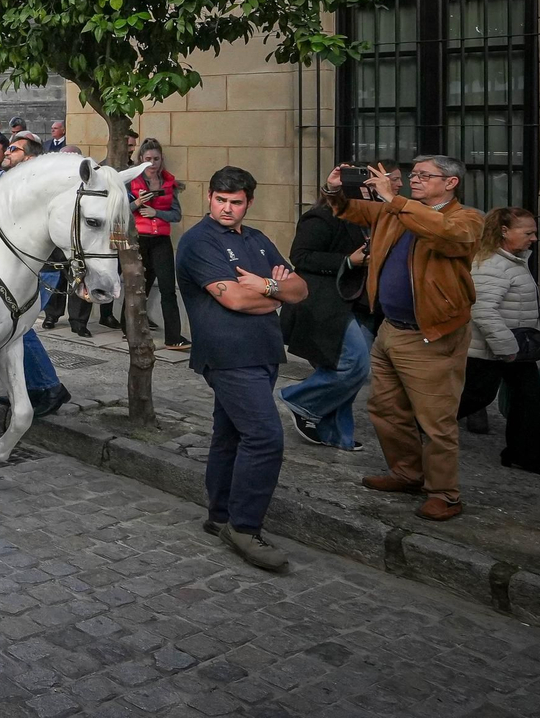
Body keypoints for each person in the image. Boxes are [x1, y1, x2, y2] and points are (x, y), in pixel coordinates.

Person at [325, 156, 483, 521]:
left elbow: (444, 234)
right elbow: (349, 210)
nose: (415, 180)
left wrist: (394, 200)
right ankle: (408, 473)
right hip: (391, 328)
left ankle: (445, 493)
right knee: (385, 408)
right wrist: (335, 188)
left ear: (451, 183)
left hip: (432, 335)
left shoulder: (467, 219)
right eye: (416, 175)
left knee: (435, 420)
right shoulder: (395, 212)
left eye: (425, 176)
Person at [176, 166, 308, 571]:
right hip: (228, 354)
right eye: (220, 199)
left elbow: (300, 288)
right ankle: (245, 528)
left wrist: (266, 287)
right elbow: (233, 299)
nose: (227, 208)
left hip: (263, 350)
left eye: (235, 202)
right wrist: (275, 294)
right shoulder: (199, 241)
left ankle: (220, 516)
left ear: (249, 202)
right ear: (210, 198)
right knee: (265, 438)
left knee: (231, 433)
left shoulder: (256, 239)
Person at [457, 208, 540, 477]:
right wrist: (508, 349)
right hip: (493, 350)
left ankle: (525, 456)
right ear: (504, 232)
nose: (534, 238)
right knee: (472, 397)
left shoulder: (513, 261)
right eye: (528, 232)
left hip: (513, 349)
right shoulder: (492, 265)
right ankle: (412, 427)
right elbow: (482, 311)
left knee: (529, 400)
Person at [279, 187, 377, 451]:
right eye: (369, 190)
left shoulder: (372, 219)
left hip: (359, 302)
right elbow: (301, 256)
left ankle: (335, 433)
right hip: (325, 304)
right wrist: (348, 260)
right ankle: (301, 401)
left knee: (340, 370)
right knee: (353, 364)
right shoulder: (321, 217)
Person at [0, 133, 72, 415]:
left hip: (45, 266)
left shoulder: (39, 187)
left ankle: (51, 388)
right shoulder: (14, 181)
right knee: (14, 327)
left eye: (14, 148)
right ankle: (30, 388)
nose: (7, 152)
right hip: (23, 265)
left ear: (31, 158)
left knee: (19, 328)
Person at [126, 139, 190, 350]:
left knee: (167, 288)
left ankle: (173, 336)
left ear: (162, 159)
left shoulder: (169, 183)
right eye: (148, 159)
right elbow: (121, 210)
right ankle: (129, 327)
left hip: (161, 240)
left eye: (156, 159)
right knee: (138, 286)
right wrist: (138, 203)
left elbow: (176, 214)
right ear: (140, 160)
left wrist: (157, 213)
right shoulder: (132, 181)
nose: (152, 163)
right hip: (139, 239)